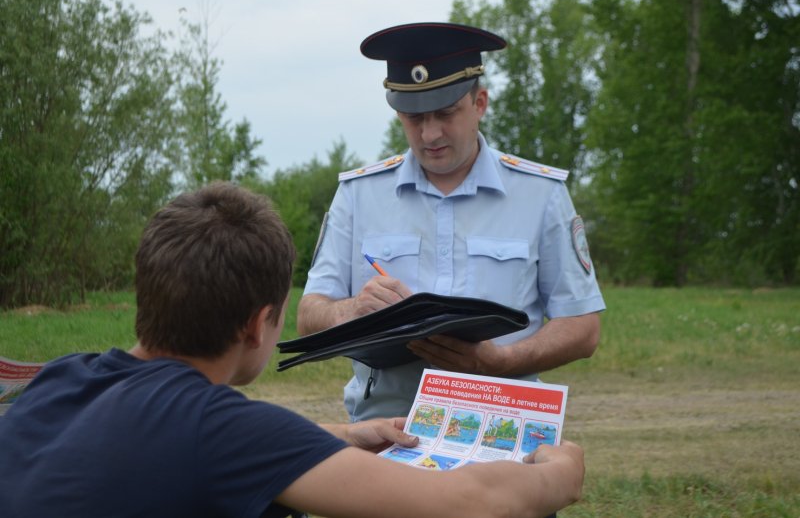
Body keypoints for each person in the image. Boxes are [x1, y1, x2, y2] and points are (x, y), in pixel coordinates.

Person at [0, 182, 585, 518]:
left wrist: (345, 436)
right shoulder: (221, 430)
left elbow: (162, 451)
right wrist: (558, 475)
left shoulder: (58, 382)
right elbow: (470, 503)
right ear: (259, 325)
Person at [298, 22, 606, 422]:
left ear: (480, 102)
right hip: (388, 427)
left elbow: (583, 326)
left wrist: (501, 361)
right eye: (413, 117)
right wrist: (353, 309)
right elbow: (309, 315)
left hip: (501, 426)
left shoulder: (540, 193)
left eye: (445, 113)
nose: (429, 134)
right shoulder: (359, 195)